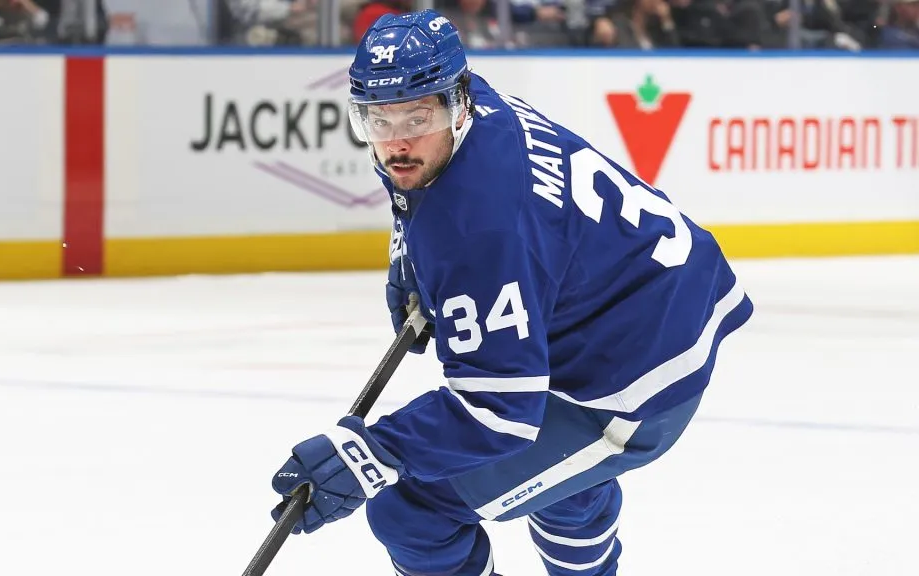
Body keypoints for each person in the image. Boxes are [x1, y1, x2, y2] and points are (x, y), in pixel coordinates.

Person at [270, 9, 753, 575]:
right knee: (555, 481)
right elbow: (418, 182)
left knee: (413, 513)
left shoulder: (480, 234)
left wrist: (374, 452)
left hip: (634, 377)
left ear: (456, 102)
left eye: (416, 116)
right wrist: (409, 247)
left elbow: (498, 414)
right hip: (643, 295)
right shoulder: (479, 106)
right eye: (377, 121)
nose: (396, 142)